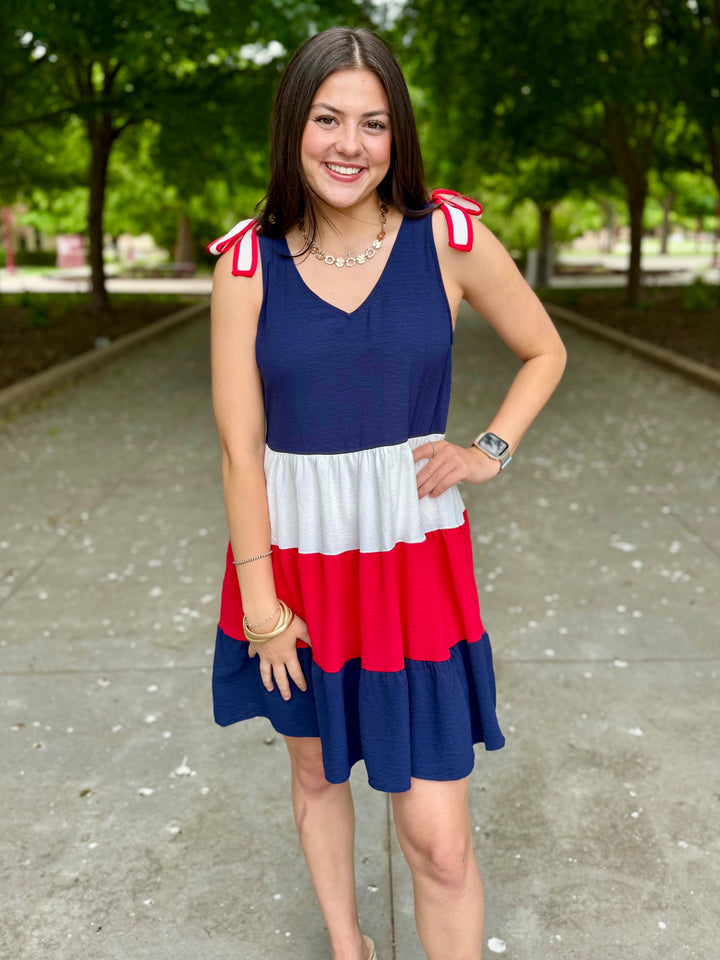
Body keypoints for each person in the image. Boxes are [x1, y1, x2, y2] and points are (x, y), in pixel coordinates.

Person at [208, 25, 566, 960]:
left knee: (438, 841)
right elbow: (241, 451)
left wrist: (488, 450)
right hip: (295, 564)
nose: (349, 145)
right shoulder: (246, 264)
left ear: (397, 134)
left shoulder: (446, 237)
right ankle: (349, 945)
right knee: (318, 775)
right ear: (294, 125)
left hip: (414, 563)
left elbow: (544, 349)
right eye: (328, 119)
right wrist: (262, 611)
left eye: (373, 123)